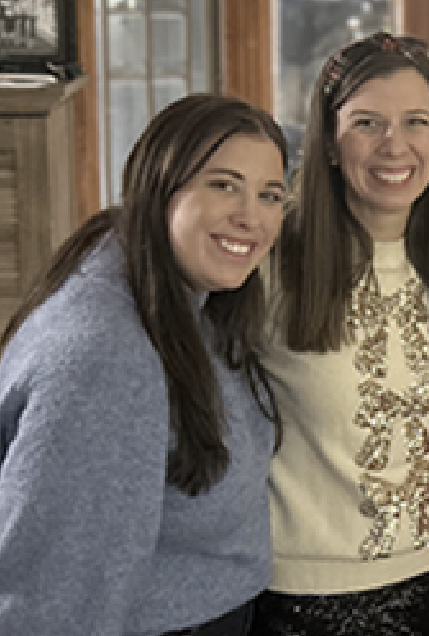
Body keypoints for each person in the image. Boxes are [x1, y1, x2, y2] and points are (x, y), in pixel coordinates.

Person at [0, 94, 287, 636]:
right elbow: (55, 607)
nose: (250, 217)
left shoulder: (169, 296)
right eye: (222, 184)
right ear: (159, 186)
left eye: (270, 195)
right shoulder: (109, 360)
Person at [250, 32, 429, 636]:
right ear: (330, 142)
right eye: (367, 122)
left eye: (416, 121)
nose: (395, 145)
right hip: (308, 601)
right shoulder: (265, 263)